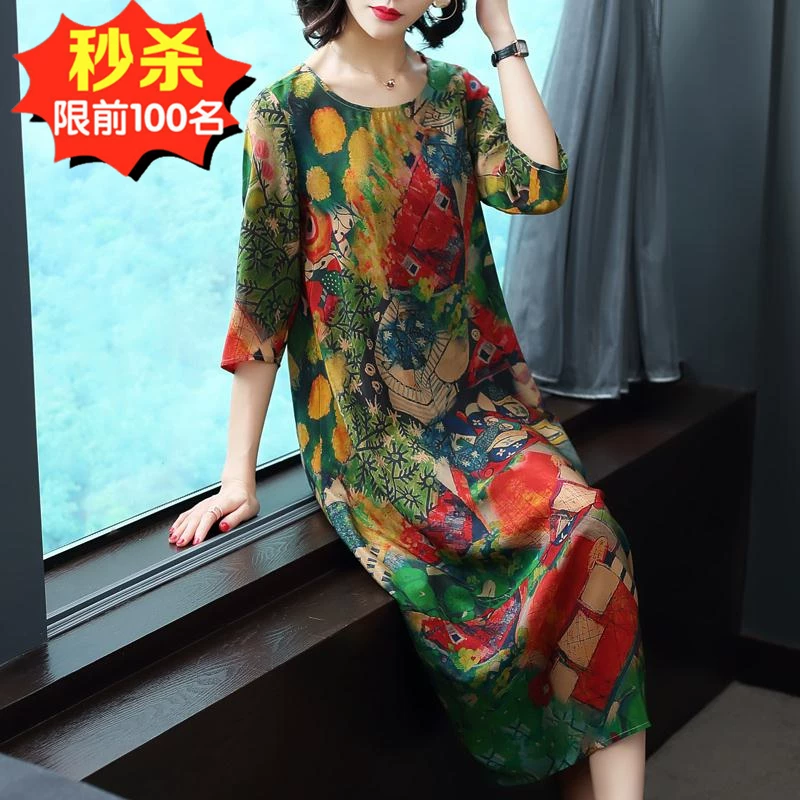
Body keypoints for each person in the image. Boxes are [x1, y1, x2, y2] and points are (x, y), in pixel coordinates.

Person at [168, 0, 652, 795]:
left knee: (591, 529)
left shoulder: (456, 96)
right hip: (367, 435)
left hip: (482, 411)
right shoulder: (285, 114)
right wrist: (237, 476)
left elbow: (539, 185)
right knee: (552, 544)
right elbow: (262, 302)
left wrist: (502, 34)